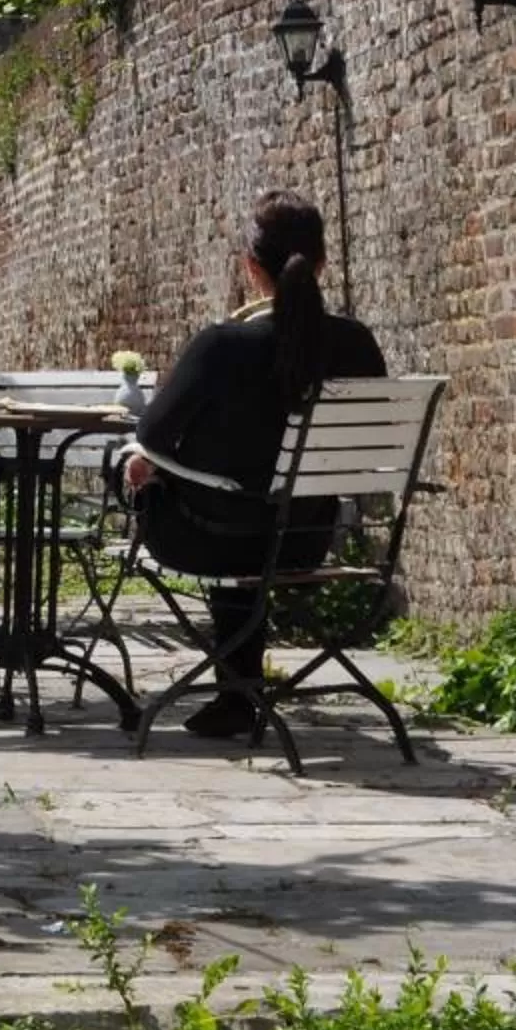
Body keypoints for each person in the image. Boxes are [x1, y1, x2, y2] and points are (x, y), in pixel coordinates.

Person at [121, 190, 384, 740]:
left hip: (207, 537)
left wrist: (151, 461)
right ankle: (236, 696)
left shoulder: (223, 344)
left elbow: (153, 434)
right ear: (322, 263)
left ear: (250, 267)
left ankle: (238, 694)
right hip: (304, 540)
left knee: (134, 466)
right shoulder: (357, 343)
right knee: (248, 510)